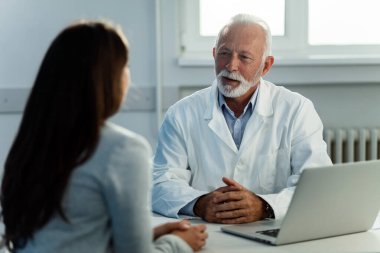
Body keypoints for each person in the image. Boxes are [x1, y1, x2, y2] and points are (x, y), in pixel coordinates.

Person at [0, 20, 207, 253]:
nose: (128, 76)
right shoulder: (123, 150)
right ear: (106, 79)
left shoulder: (31, 145)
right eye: (125, 66)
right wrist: (179, 243)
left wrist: (146, 236)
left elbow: (63, 237)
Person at [152, 13, 332, 224]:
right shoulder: (181, 113)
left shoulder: (297, 110)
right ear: (213, 54)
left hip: (272, 232)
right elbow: (160, 183)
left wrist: (264, 206)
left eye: (244, 57)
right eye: (224, 53)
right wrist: (200, 204)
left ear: (266, 66)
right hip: (207, 232)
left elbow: (317, 186)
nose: (231, 66)